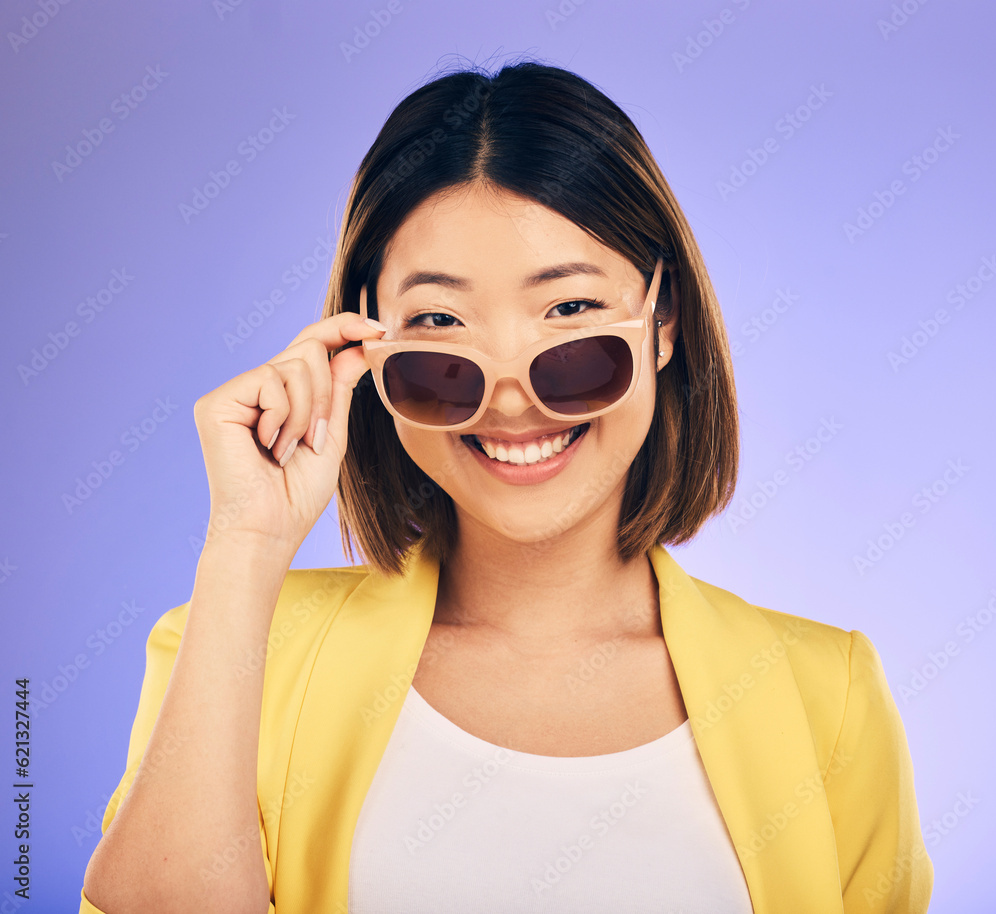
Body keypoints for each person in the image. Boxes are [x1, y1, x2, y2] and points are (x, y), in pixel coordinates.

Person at [79, 60, 933, 913]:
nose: (510, 392)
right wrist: (247, 540)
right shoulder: (240, 652)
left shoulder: (830, 696)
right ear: (363, 348)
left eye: (567, 314)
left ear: (662, 322)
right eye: (441, 325)